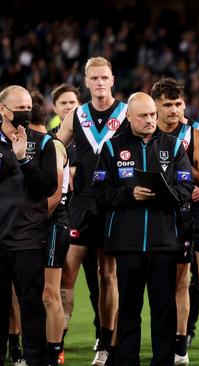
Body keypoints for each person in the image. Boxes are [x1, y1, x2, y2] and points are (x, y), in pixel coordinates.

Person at [93, 92, 194, 365]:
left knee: (164, 308)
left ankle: (162, 361)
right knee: (128, 307)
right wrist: (130, 195)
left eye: (152, 114)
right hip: (127, 243)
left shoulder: (174, 147)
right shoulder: (112, 148)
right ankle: (127, 360)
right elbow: (99, 192)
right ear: (128, 117)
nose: (150, 120)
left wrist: (163, 193)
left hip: (164, 242)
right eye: (143, 115)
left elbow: (186, 189)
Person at [56, 57, 129, 365]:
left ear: (112, 80)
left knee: (108, 275)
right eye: (94, 78)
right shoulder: (76, 115)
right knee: (66, 275)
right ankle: (57, 341)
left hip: (113, 203)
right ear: (86, 82)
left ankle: (105, 341)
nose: (99, 83)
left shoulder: (126, 113)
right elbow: (57, 149)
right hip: (82, 203)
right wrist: (60, 178)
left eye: (104, 78)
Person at [150, 78, 199, 366]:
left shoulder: (194, 135)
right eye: (167, 105)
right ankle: (175, 347)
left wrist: (177, 169)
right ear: (155, 106)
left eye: (178, 104)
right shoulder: (146, 136)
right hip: (162, 216)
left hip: (194, 213)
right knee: (169, 284)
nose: (174, 110)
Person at [0, 85, 58, 366]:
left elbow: (48, 187)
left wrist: (24, 159)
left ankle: (36, 360)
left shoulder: (44, 143)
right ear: (2, 110)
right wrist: (12, 158)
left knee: (31, 309)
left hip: (28, 239)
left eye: (28, 108)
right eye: (19, 109)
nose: (25, 113)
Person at [28, 91, 71, 366]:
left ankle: (55, 353)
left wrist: (28, 218)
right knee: (29, 293)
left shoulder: (51, 145)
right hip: (34, 223)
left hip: (52, 223)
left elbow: (55, 195)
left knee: (49, 293)